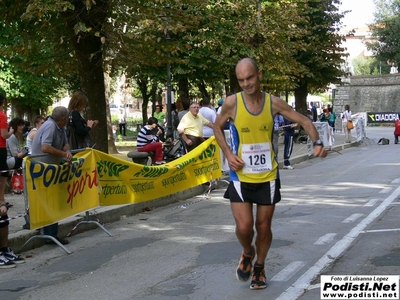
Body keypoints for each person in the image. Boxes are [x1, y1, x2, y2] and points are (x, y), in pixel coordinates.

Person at [213, 58, 327, 290]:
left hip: (268, 176)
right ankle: (247, 252)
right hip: (240, 176)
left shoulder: (273, 103)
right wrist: (227, 153)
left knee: (263, 226)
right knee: (245, 228)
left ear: (260, 74)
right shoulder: (232, 103)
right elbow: (217, 126)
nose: (246, 84)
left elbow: (304, 120)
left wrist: (317, 142)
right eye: (241, 80)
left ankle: (259, 267)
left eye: (250, 78)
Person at [31, 106, 73, 245]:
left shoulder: (61, 128)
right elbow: (45, 147)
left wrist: (67, 152)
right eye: (67, 119)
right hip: (42, 168)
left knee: (52, 200)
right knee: (49, 201)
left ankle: (50, 233)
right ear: (63, 119)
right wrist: (62, 154)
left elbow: (65, 144)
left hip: (51, 168)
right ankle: (49, 234)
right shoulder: (50, 126)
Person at [0, 94, 25, 268]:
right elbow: (4, 134)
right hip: (1, 153)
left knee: (3, 216)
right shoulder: (1, 115)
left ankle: (4, 249)